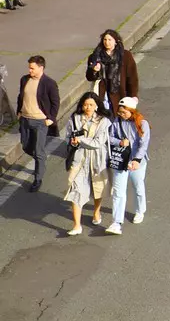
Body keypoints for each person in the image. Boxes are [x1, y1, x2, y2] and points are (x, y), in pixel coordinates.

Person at [63, 93, 110, 234]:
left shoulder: (104, 121)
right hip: (79, 160)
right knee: (75, 188)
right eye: (85, 104)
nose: (87, 107)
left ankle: (96, 212)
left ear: (96, 105)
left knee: (97, 187)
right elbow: (67, 136)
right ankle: (77, 225)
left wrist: (81, 140)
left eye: (90, 104)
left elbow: (97, 143)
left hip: (97, 160)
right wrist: (71, 141)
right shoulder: (75, 119)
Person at [105, 95, 149, 233]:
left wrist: (136, 160)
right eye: (120, 112)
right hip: (121, 160)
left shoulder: (142, 123)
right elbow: (109, 138)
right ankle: (116, 222)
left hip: (137, 162)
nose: (121, 114)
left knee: (138, 186)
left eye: (124, 112)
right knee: (119, 191)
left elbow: (143, 144)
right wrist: (119, 142)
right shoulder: (116, 122)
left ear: (132, 110)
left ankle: (140, 210)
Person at [15, 55, 60, 191]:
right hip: (25, 119)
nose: (30, 71)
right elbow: (20, 96)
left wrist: (51, 118)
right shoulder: (24, 79)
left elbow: (55, 102)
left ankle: (37, 178)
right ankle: (41, 161)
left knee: (39, 151)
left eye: (32, 68)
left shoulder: (49, 83)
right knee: (25, 146)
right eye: (29, 68)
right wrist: (19, 111)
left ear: (41, 68)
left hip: (40, 121)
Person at [86, 29, 139, 113]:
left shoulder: (125, 56)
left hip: (119, 93)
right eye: (105, 40)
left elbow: (132, 77)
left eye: (110, 40)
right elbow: (89, 77)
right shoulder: (95, 56)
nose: (107, 42)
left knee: (120, 117)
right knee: (105, 118)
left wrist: (133, 95)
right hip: (103, 94)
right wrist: (94, 71)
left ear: (116, 41)